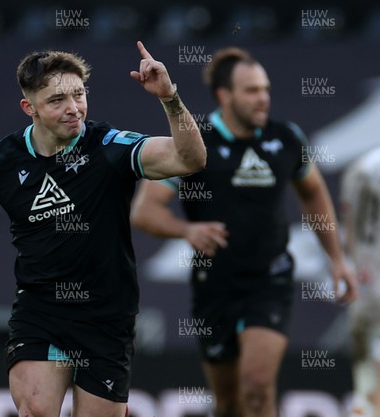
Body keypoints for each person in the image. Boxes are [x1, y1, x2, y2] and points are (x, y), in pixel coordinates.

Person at [0, 41, 206, 417]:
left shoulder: (108, 147)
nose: (73, 108)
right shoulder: (3, 162)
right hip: (40, 311)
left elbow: (190, 160)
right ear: (28, 107)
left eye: (79, 95)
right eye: (57, 100)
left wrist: (170, 98)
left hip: (107, 316)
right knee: (35, 410)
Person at [130, 46, 357, 417]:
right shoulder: (194, 144)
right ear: (225, 96)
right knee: (229, 402)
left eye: (265, 88)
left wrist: (337, 259)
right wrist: (187, 230)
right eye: (252, 90)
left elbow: (314, 192)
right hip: (214, 285)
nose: (263, 97)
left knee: (256, 388)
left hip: (270, 281)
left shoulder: (286, 138)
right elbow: (144, 212)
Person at [341, 147, 380, 417]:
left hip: (366, 269)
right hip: (372, 269)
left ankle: (365, 404)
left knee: (366, 352)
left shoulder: (363, 165)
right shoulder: (370, 168)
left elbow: (349, 225)